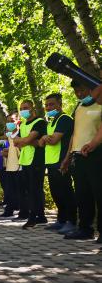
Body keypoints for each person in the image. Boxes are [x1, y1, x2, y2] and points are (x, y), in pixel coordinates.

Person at [60, 80, 102, 242]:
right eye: (76, 91)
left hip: (96, 154)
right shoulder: (78, 107)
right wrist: (68, 156)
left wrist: (93, 144)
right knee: (82, 194)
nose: (79, 94)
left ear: (92, 89)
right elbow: (74, 133)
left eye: (82, 90)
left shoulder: (100, 105)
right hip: (77, 156)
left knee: (99, 193)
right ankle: (85, 228)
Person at [38, 93, 76, 234]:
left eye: (52, 104)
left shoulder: (64, 119)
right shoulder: (51, 121)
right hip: (50, 161)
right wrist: (44, 137)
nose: (48, 107)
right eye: (47, 105)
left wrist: (45, 138)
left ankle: (72, 221)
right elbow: (41, 143)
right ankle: (61, 220)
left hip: (62, 161)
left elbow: (53, 140)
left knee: (66, 191)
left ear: (60, 104)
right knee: (56, 192)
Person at [13, 100, 47, 229]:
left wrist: (25, 141)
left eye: (26, 107)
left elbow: (26, 140)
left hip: (36, 160)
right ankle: (41, 216)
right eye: (21, 108)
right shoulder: (23, 125)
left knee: (35, 190)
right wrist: (27, 141)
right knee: (29, 189)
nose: (23, 110)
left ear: (32, 108)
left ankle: (33, 218)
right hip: (25, 160)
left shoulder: (39, 122)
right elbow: (16, 142)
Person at [0, 112, 21, 219]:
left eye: (12, 120)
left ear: (18, 121)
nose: (9, 123)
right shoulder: (10, 135)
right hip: (10, 165)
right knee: (9, 189)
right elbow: (12, 148)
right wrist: (6, 151)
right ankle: (9, 210)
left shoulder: (21, 132)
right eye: (8, 121)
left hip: (20, 165)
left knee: (20, 189)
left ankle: (23, 211)